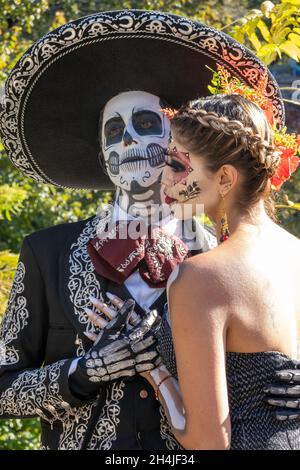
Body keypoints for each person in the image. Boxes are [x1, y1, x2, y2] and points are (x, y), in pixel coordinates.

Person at [0, 9, 299, 450]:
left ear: (174, 142)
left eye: (145, 126)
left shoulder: (228, 258)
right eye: (115, 131)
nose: (130, 143)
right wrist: (88, 370)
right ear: (103, 156)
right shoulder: (48, 253)